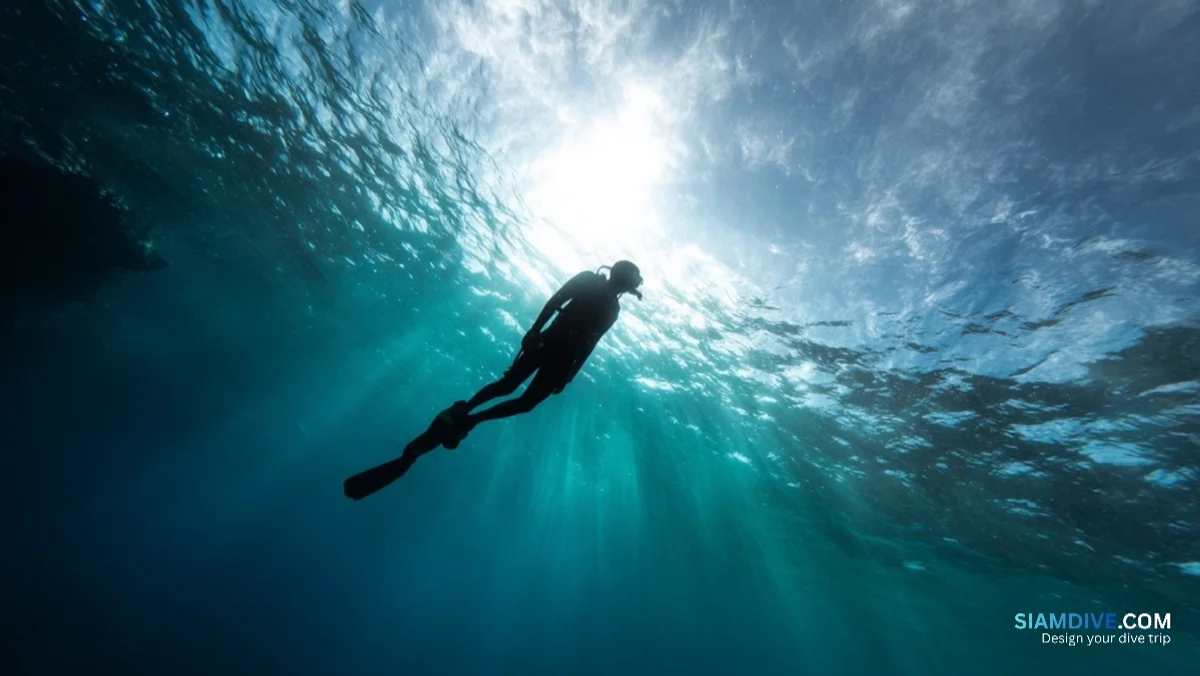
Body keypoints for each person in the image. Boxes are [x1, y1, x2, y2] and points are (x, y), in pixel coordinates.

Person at [343, 260, 643, 500]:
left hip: (562, 358)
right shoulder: (588, 280)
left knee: (525, 402)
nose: (625, 289)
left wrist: (570, 375)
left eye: (627, 287)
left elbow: (591, 343)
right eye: (627, 284)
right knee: (508, 386)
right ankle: (465, 411)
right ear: (618, 277)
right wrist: (533, 331)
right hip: (547, 342)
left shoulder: (613, 309)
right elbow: (556, 301)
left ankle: (470, 419)